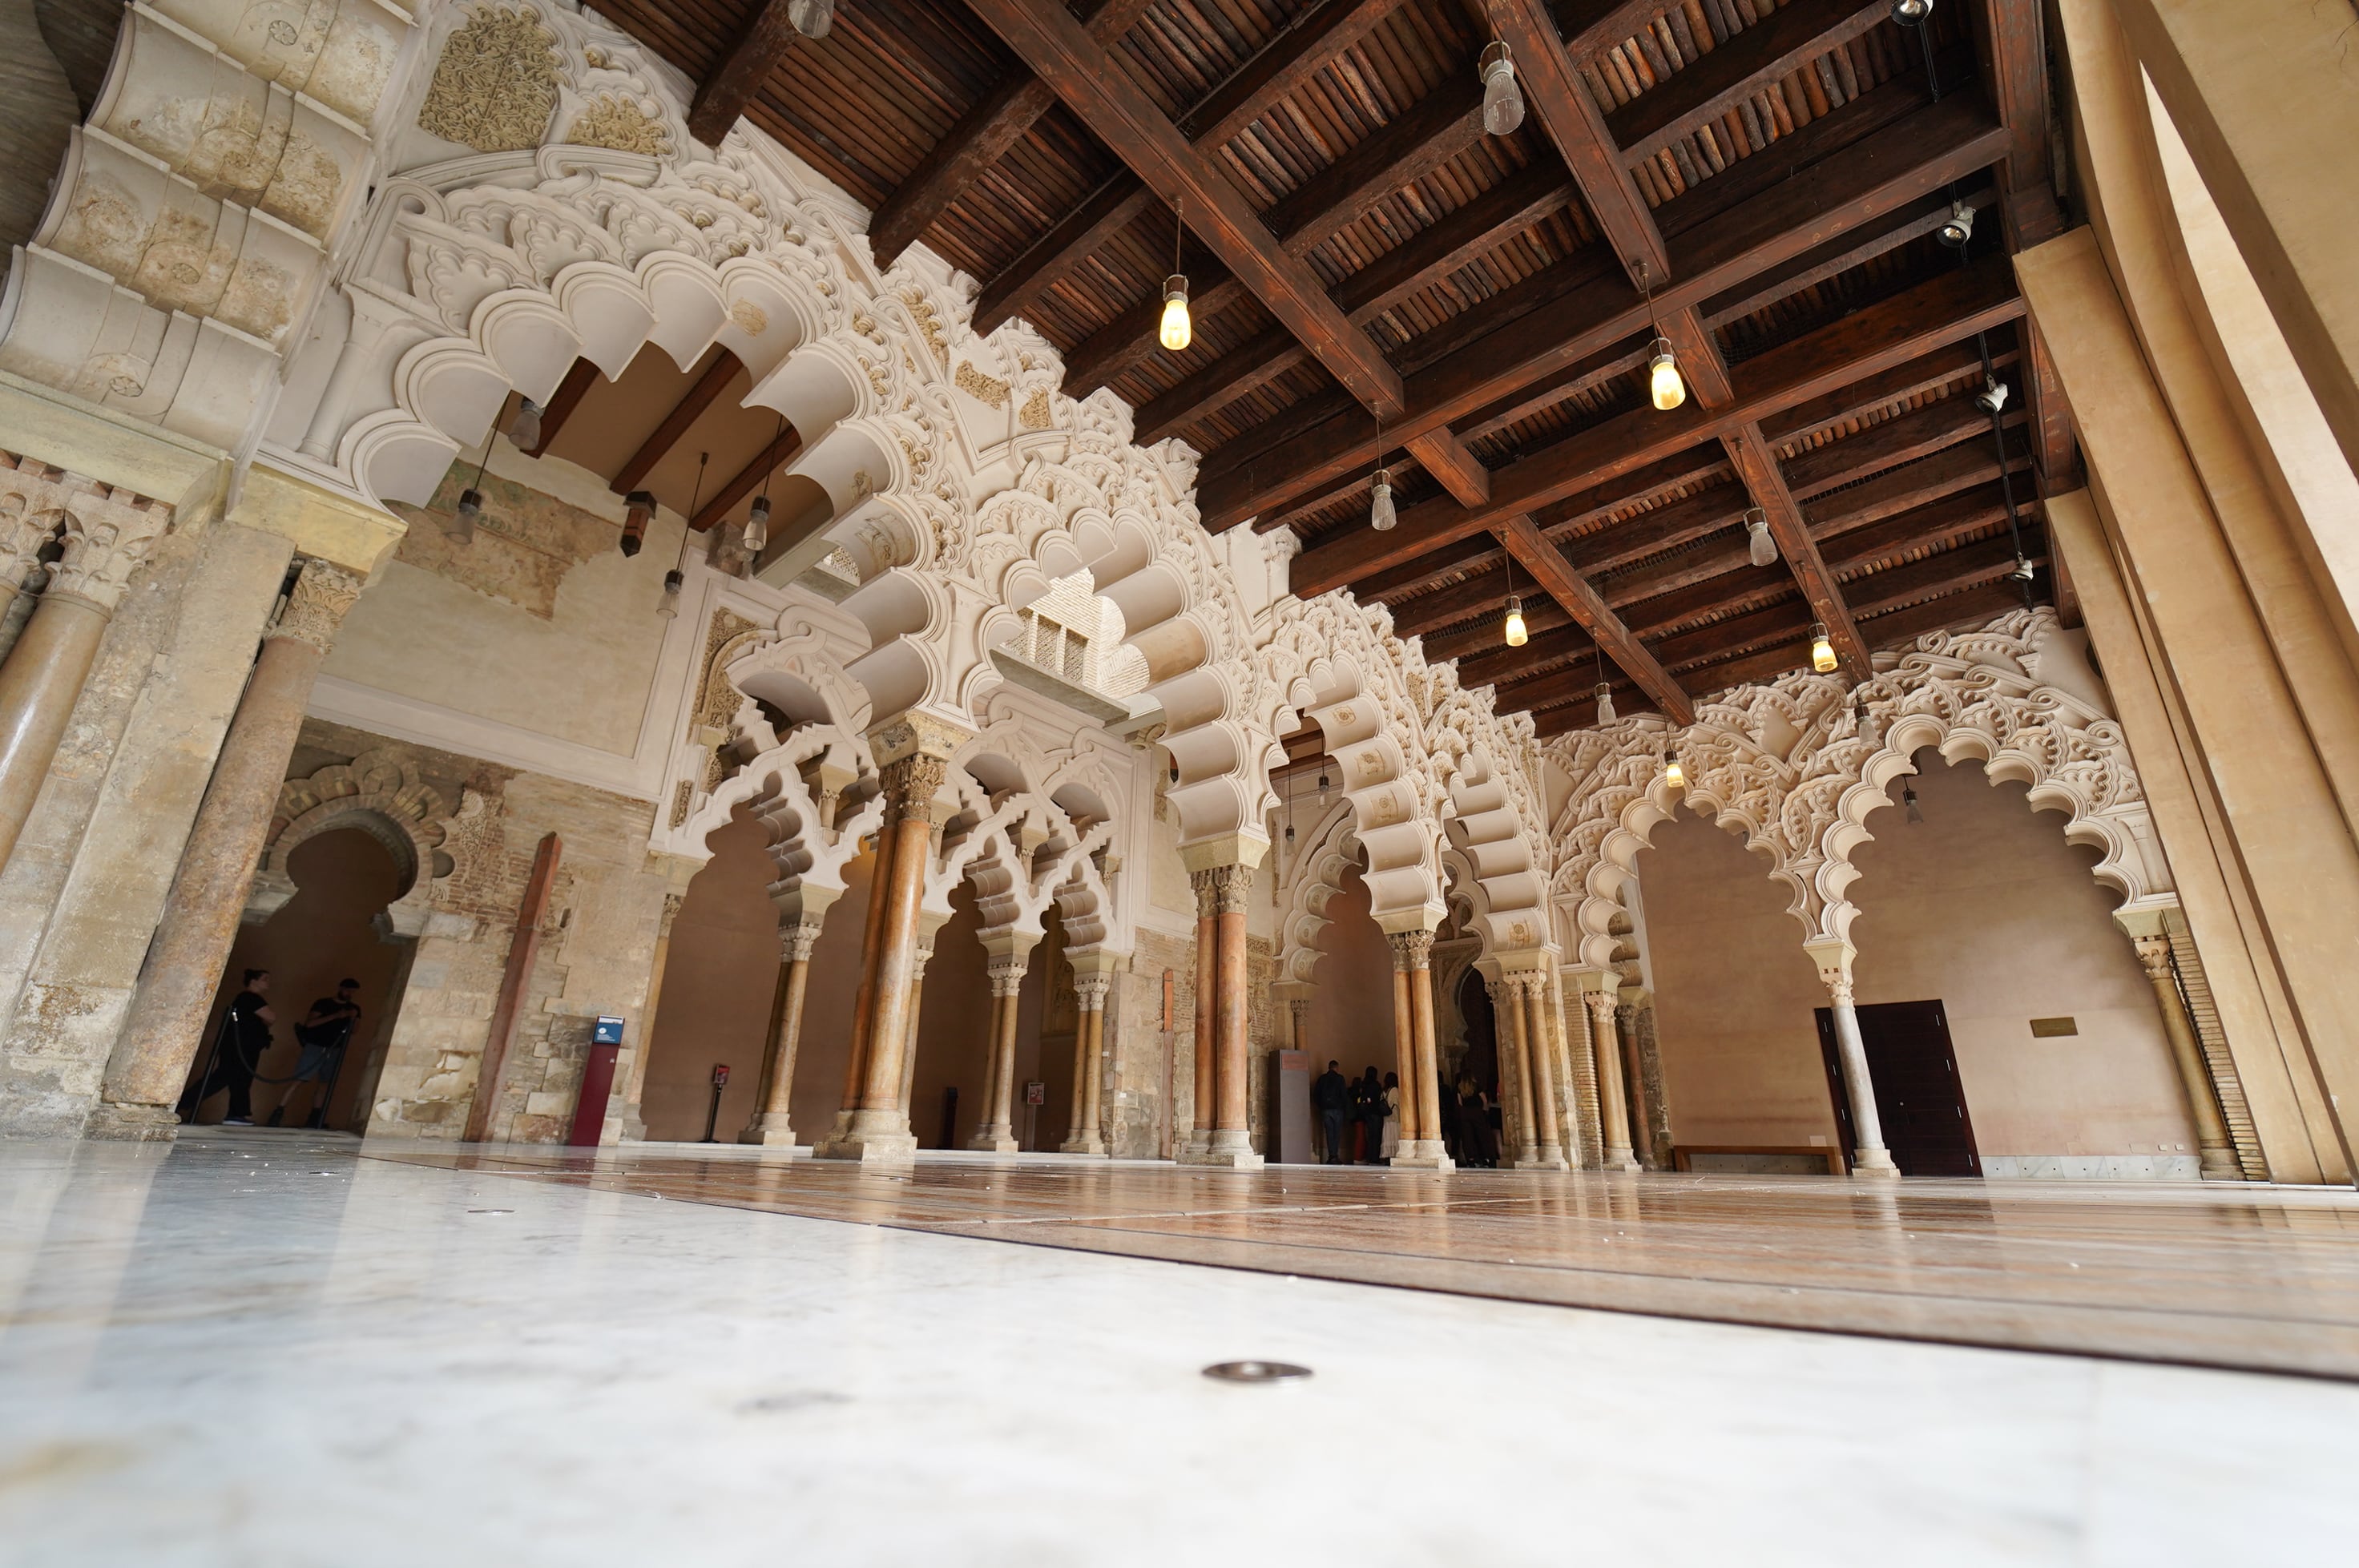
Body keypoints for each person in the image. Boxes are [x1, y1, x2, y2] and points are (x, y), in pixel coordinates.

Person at [270, 979, 362, 1129]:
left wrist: (352, 1017)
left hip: (335, 1049)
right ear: (340, 988)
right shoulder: (323, 1003)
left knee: (324, 1084)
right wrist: (336, 1016)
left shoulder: (354, 1008)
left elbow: (355, 1030)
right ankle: (278, 1113)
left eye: (353, 992)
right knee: (299, 1080)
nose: (349, 994)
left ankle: (315, 1119)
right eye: (347, 990)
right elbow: (310, 1023)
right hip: (315, 1046)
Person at [190, 969, 275, 1126]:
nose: (268, 982)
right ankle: (186, 1101)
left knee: (238, 1079)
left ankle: (236, 1114)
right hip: (241, 1048)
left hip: (242, 1047)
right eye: (264, 979)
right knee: (225, 1077)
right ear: (253, 981)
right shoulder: (250, 998)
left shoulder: (246, 999)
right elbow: (271, 1018)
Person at [1312, 1059, 1349, 1164]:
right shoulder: (1340, 1079)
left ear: (1329, 1067)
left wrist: (1321, 1106)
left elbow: (1316, 1094)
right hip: (1337, 1109)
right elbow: (1344, 1095)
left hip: (1325, 1110)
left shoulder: (1322, 1079)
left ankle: (1331, 1155)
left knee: (1329, 1133)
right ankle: (1335, 1156)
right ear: (1336, 1068)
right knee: (1336, 1133)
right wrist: (1343, 1106)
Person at [1353, 1066, 1385, 1164]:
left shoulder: (1364, 1085)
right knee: (1376, 1136)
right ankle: (1375, 1158)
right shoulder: (1376, 1085)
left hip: (1367, 1114)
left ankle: (1370, 1156)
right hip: (1376, 1114)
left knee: (1370, 1137)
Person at [1380, 1070, 1401, 1161]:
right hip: (1394, 1117)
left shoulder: (1384, 1091)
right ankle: (1394, 1154)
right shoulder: (1395, 1090)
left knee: (1387, 1137)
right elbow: (1399, 1103)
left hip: (1386, 1118)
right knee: (1395, 1136)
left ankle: (1387, 1155)